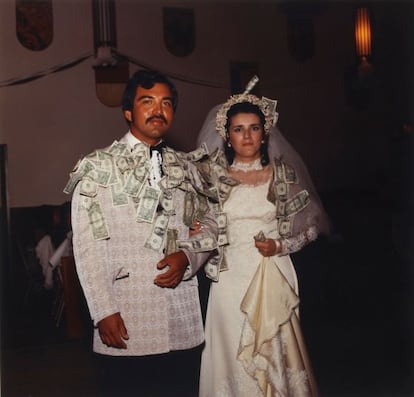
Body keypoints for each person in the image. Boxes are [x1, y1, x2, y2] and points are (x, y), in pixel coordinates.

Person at [64, 69, 219, 397]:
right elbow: (88, 245)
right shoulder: (97, 168)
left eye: (166, 103)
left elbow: (212, 222)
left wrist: (190, 256)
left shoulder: (189, 168)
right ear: (128, 112)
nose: (158, 109)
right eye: (147, 101)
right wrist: (102, 309)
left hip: (181, 318)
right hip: (126, 318)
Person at [195, 84, 330, 396]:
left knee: (275, 349)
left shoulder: (282, 175)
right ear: (227, 135)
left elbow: (312, 226)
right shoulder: (214, 179)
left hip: (273, 272)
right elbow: (203, 226)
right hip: (230, 279)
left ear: (265, 133)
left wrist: (280, 246)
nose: (246, 136)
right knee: (233, 347)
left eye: (254, 128)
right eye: (238, 129)